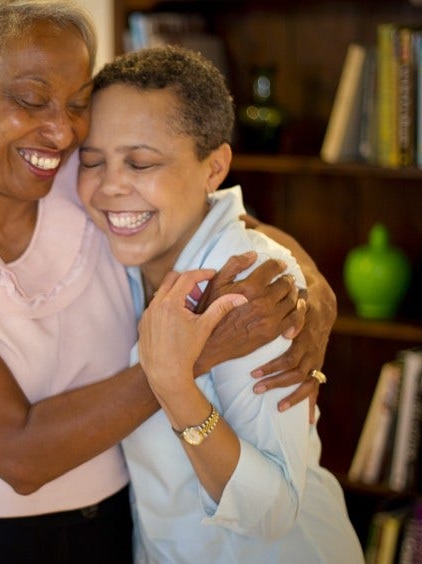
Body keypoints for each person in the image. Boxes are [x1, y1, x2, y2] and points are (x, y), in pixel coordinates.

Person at [0, 1, 336, 561]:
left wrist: (305, 281)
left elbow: (198, 208)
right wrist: (187, 358)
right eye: (31, 99)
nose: (61, 130)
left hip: (111, 532)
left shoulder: (73, 177)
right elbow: (20, 456)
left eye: (76, 104)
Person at [75, 45, 363, 562]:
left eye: (141, 162)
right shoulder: (117, 254)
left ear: (215, 167)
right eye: (92, 160)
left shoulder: (252, 285)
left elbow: (272, 512)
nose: (111, 185)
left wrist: (175, 387)